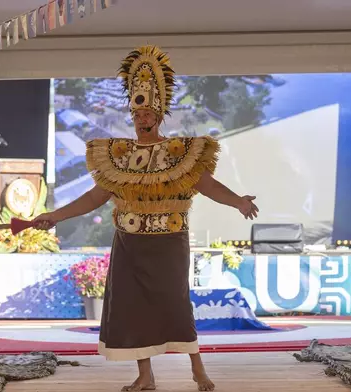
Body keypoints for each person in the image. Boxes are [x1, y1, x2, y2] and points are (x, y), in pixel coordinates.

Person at [33, 45, 258, 391]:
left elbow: (208, 185)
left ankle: (198, 368)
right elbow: (95, 197)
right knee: (134, 309)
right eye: (138, 113)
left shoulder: (179, 154)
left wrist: (238, 201)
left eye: (150, 113)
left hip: (169, 242)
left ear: (160, 113)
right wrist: (55, 215)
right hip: (129, 243)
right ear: (132, 114)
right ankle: (145, 375)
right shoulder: (117, 156)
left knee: (176, 304)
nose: (143, 118)